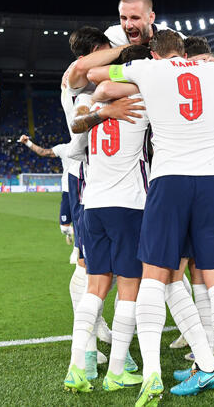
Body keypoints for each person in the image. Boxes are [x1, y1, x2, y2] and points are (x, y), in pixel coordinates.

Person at [88, 30, 214, 406]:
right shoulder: (212, 71)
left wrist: (130, 75)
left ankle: (151, 377)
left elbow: (96, 78)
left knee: (154, 277)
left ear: (157, 54)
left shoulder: (146, 69)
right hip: (212, 182)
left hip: (168, 183)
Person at [63, 45, 152, 394]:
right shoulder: (143, 102)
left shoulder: (88, 102)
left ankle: (76, 367)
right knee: (128, 289)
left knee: (94, 287)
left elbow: (73, 141)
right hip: (129, 206)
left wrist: (103, 110)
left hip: (93, 206)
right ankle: (117, 370)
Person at [17, 137, 75, 247]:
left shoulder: (88, 148)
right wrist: (27, 142)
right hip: (67, 192)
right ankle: (70, 233)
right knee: (64, 228)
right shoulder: (64, 148)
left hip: (83, 191)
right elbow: (43, 152)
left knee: (83, 225)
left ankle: (78, 253)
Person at [104, 0, 177, 47]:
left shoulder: (172, 39)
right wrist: (126, 48)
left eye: (135, 18)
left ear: (151, 18)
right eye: (124, 18)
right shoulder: (112, 36)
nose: (128, 26)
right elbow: (92, 60)